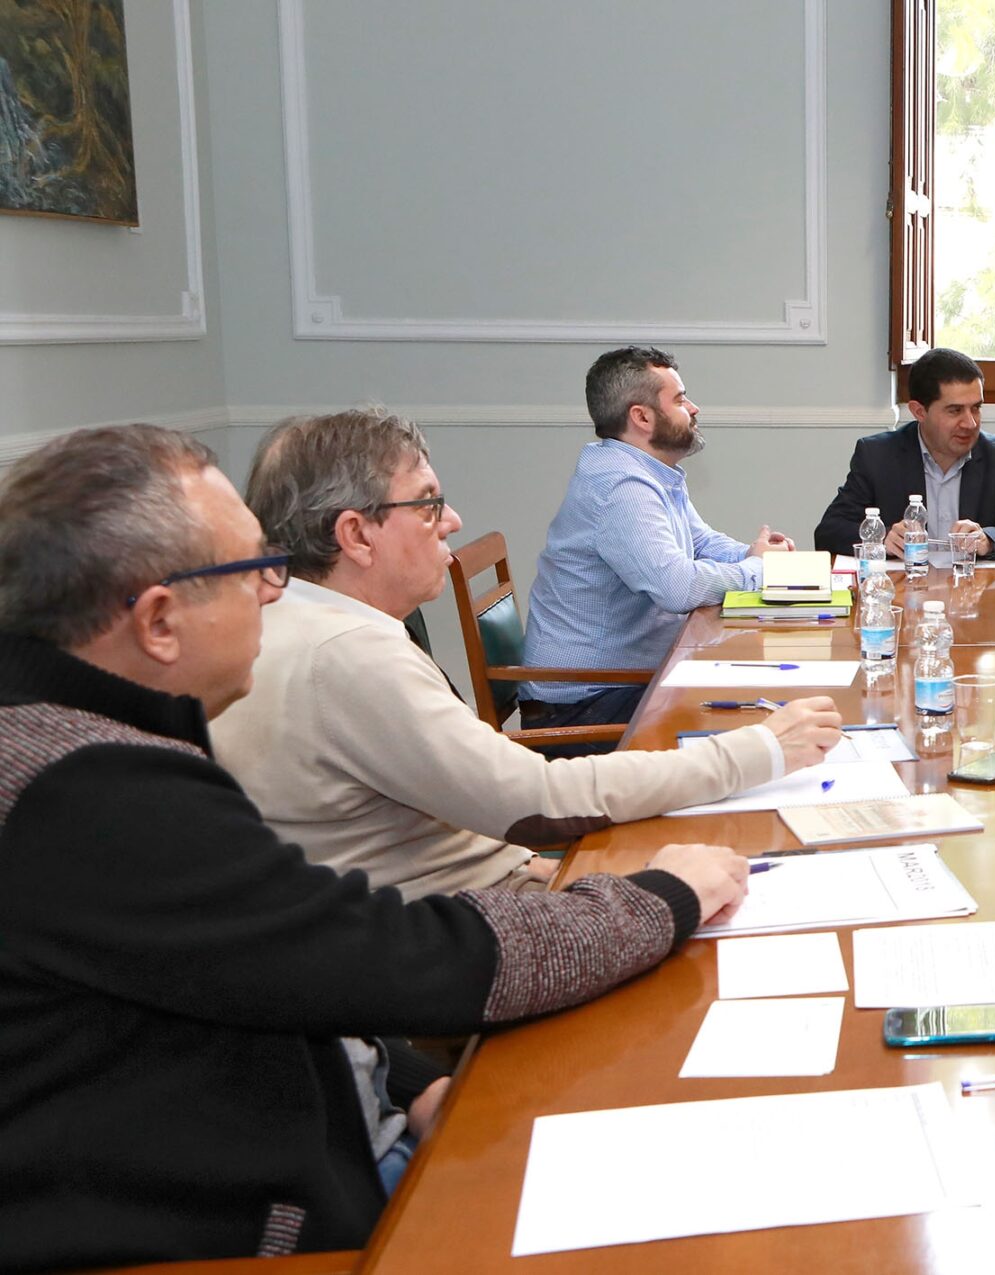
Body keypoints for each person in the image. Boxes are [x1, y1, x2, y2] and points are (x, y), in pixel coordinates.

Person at [0, 425, 750, 1270]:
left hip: (356, 1131)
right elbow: (389, 954)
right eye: (255, 570)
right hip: (286, 1232)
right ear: (160, 620)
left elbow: (285, 963)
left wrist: (407, 1085)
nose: (276, 593)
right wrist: (661, 898)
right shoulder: (87, 794)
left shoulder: (82, 742)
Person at [215, 407, 845, 899]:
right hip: (481, 916)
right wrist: (759, 750)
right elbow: (536, 801)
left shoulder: (309, 620)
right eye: (429, 503)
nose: (453, 519)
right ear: (355, 535)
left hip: (504, 879)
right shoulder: (346, 652)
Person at [518, 346, 795, 730]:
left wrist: (754, 555)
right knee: (750, 724)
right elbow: (677, 588)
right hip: (585, 707)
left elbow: (700, 542)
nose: (694, 408)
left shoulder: (644, 471)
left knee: (761, 701)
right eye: (680, 400)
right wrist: (757, 569)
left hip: (622, 686)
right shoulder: (621, 486)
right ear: (642, 417)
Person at [813, 346, 995, 559]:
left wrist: (989, 539)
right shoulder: (877, 456)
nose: (970, 423)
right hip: (906, 592)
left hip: (975, 592)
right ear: (919, 412)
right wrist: (882, 537)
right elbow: (829, 531)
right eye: (955, 411)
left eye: (976, 408)